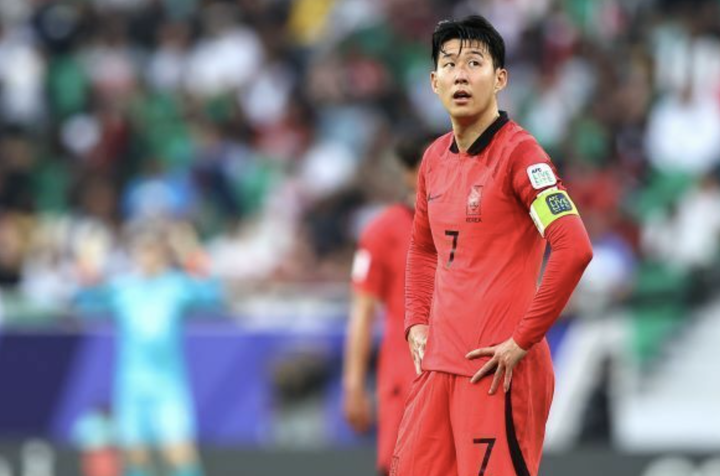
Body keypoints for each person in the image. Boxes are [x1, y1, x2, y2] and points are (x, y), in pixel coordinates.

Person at [392, 15, 593, 476]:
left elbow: (574, 247)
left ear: (500, 78)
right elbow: (423, 248)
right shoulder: (433, 159)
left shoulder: (521, 156)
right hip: (438, 368)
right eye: (449, 64)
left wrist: (522, 340)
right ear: (434, 82)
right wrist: (416, 321)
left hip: (496, 372)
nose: (460, 75)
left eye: (474, 63)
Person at [75, 226, 221, 476]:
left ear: (163, 254)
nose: (147, 257)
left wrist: (191, 252)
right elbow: (86, 301)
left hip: (168, 386)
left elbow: (212, 296)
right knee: (136, 456)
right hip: (132, 387)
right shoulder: (124, 289)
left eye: (152, 250)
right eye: (141, 251)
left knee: (179, 452)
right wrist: (89, 261)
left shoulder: (176, 286)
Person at [342, 133, 434, 476]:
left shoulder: (468, 224)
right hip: (405, 376)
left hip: (458, 373)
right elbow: (362, 311)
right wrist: (354, 384)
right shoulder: (382, 231)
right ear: (409, 173)